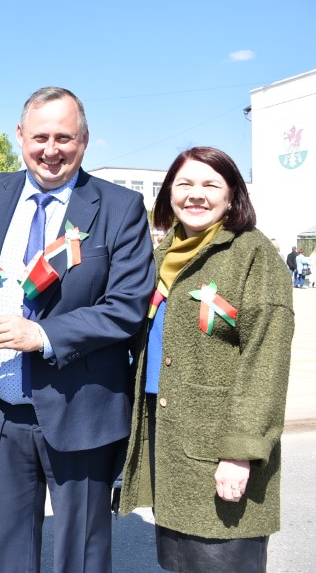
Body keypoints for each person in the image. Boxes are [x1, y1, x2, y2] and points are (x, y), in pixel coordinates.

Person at [0, 86, 154, 572]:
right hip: (0, 410)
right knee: (5, 550)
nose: (52, 150)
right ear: (20, 136)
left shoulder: (120, 207)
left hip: (80, 406)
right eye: (41, 137)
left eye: (64, 138)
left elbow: (127, 307)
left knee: (81, 553)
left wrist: (43, 336)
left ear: (84, 140)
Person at [120, 147, 293, 572]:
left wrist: (240, 452)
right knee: (181, 563)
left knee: (222, 560)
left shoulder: (252, 255)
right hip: (170, 443)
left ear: (232, 196)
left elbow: (266, 362)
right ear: (169, 194)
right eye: (185, 184)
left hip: (221, 448)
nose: (195, 195)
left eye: (210, 185)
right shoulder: (162, 256)